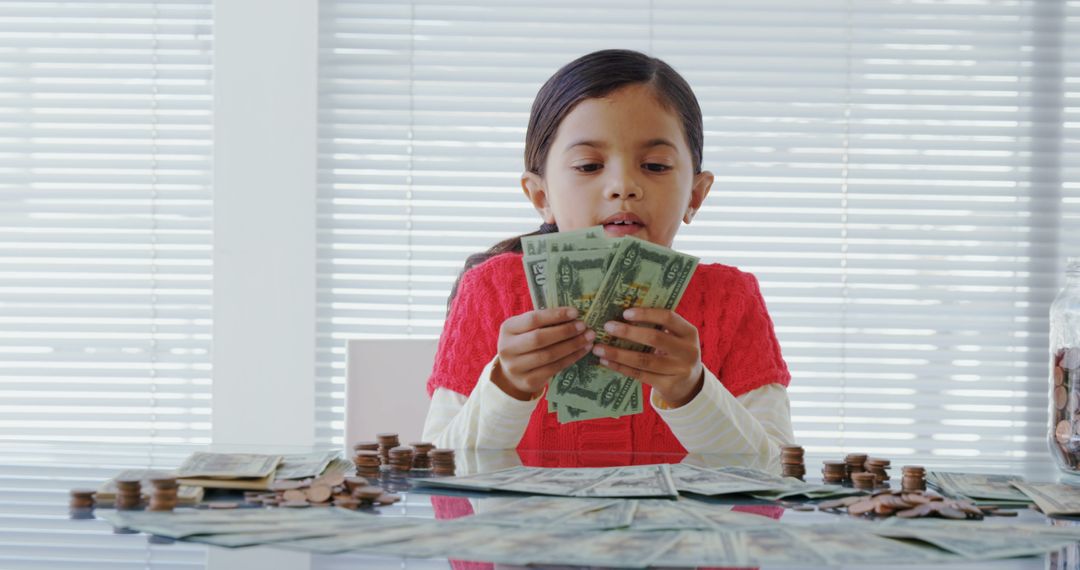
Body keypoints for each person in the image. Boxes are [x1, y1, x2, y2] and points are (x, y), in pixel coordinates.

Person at [421, 49, 794, 457]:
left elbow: (775, 478)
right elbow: (438, 474)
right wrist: (507, 385)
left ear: (696, 195)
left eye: (654, 165)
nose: (623, 186)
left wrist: (692, 390)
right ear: (541, 195)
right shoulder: (490, 292)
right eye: (587, 166)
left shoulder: (731, 300)